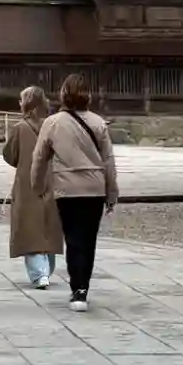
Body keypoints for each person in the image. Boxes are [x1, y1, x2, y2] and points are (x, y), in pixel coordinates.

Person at [31, 73, 118, 310]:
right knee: (88, 240)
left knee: (73, 239)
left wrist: (37, 185)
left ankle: (76, 289)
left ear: (63, 94)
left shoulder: (52, 123)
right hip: (94, 188)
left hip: (67, 187)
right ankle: (83, 288)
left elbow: (39, 158)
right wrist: (112, 192)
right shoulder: (98, 123)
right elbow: (108, 161)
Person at [4, 86, 63, 288]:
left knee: (29, 226)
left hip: (27, 181)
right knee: (48, 225)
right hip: (50, 179)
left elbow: (10, 155)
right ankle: (48, 268)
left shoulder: (20, 128)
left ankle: (39, 274)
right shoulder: (53, 126)